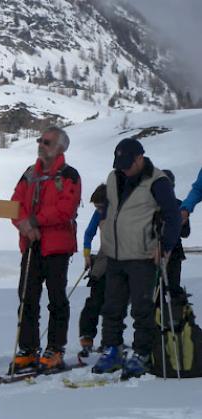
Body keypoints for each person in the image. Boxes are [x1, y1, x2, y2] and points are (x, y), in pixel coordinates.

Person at [93, 138, 181, 378]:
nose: (123, 168)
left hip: (143, 255)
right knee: (112, 306)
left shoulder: (158, 181)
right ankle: (113, 349)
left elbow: (173, 216)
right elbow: (111, 207)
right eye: (119, 163)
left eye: (127, 163)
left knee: (142, 309)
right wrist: (104, 221)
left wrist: (164, 247)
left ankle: (141, 353)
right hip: (115, 253)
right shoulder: (114, 177)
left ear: (140, 158)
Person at [10, 126, 81, 372]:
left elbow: (66, 208)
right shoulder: (29, 173)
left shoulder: (69, 175)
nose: (41, 144)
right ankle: (28, 348)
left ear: (60, 147)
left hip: (56, 246)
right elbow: (15, 203)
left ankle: (55, 348)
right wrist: (25, 226)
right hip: (31, 243)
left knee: (56, 299)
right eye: (40, 140)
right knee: (26, 298)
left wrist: (35, 221)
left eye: (47, 142)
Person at [78, 184, 108, 357]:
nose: (97, 210)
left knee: (113, 303)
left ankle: (110, 340)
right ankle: (87, 337)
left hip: (120, 261)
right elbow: (89, 233)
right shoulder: (99, 214)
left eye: (99, 206)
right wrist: (87, 255)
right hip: (103, 262)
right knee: (95, 301)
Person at [161, 170, 191, 299]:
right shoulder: (150, 206)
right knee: (156, 292)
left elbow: (185, 233)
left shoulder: (180, 205)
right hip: (154, 253)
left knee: (173, 288)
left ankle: (178, 314)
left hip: (175, 254)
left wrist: (180, 223)